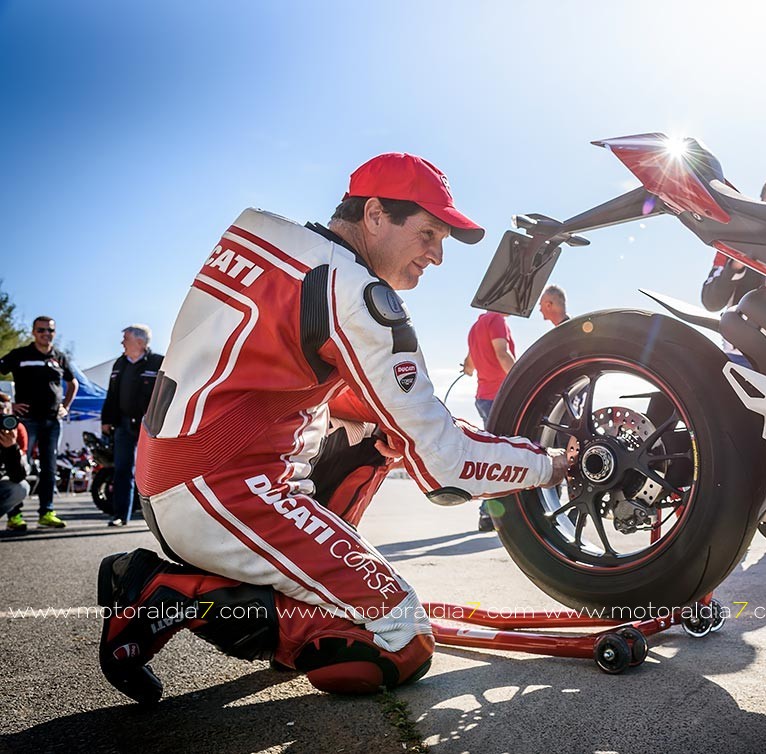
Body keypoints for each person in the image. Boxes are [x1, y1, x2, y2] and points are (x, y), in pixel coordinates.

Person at [97, 152, 567, 705]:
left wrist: (398, 422)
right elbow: (444, 466)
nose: (437, 256)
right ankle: (167, 593)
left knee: (377, 434)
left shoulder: (270, 238)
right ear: (373, 215)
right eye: (428, 234)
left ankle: (292, 597)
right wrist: (549, 464)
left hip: (177, 471)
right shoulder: (355, 293)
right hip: (220, 491)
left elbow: (299, 384)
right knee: (400, 641)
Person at [701, 175, 766, 365]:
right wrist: (737, 264)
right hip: (742, 353)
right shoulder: (733, 245)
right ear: (760, 204)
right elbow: (710, 301)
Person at [0, 316, 76, 529]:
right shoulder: (20, 355)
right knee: (20, 464)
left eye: (50, 330)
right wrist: (9, 406)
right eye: (41, 330)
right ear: (33, 332)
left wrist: (66, 406)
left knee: (50, 468)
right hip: (26, 421)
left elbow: (73, 383)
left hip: (52, 421)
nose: (46, 333)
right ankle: (14, 516)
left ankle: (47, 512)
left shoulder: (59, 357)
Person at [100, 324, 164, 526]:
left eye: (125, 338)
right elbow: (111, 394)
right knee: (122, 470)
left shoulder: (159, 362)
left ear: (140, 342)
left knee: (156, 471)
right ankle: (120, 515)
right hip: (123, 424)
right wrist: (106, 420)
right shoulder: (119, 364)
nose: (121, 343)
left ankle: (161, 520)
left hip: (151, 426)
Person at [462, 310, 516, 531]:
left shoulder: (475, 327)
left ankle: (488, 515)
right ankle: (490, 513)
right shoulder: (497, 320)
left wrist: (468, 367)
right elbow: (502, 354)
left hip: (483, 397)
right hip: (499, 397)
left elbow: (469, 365)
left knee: (493, 455)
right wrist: (523, 379)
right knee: (505, 456)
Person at [0, 392, 31, 528]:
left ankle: (15, 515)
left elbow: (18, 476)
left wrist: (11, 448)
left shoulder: (15, 429)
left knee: (20, 488)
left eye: (3, 413)